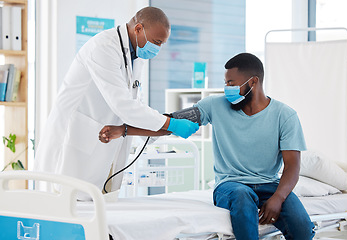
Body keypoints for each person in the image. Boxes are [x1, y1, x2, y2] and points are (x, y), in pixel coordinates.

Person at [99, 53, 315, 239]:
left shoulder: (285, 116)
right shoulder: (215, 105)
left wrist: (277, 198)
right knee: (241, 198)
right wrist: (124, 129)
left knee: (303, 227)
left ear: (253, 82)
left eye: (231, 83)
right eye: (225, 82)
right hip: (230, 185)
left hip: (269, 186)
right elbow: (170, 124)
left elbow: (292, 167)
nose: (226, 88)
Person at [34, 6, 199, 194]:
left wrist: (160, 129)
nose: (158, 49)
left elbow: (136, 103)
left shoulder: (137, 56)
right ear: (138, 29)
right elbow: (123, 105)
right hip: (77, 141)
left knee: (101, 206)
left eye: (162, 44)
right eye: (156, 42)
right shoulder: (103, 48)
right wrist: (170, 124)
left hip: (108, 143)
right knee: (72, 204)